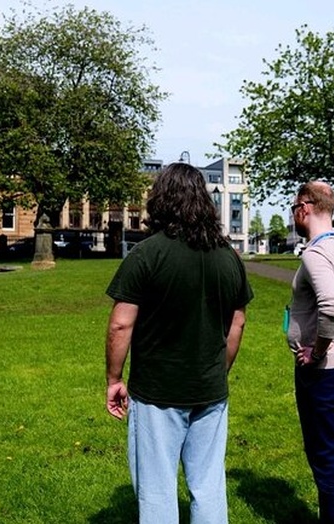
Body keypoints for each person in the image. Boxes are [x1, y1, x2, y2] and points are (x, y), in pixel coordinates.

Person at [105, 162, 254, 524]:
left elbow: (121, 324)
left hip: (158, 391)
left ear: (161, 200)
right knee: (209, 485)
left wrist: (114, 379)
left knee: (156, 488)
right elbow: (237, 322)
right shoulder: (229, 257)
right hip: (209, 389)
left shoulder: (147, 254)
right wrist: (218, 369)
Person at [287, 181, 334, 524]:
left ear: (304, 208)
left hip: (325, 370)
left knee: (325, 455)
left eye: (293, 208)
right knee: (332, 448)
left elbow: (331, 306)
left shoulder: (315, 254)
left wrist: (317, 352)